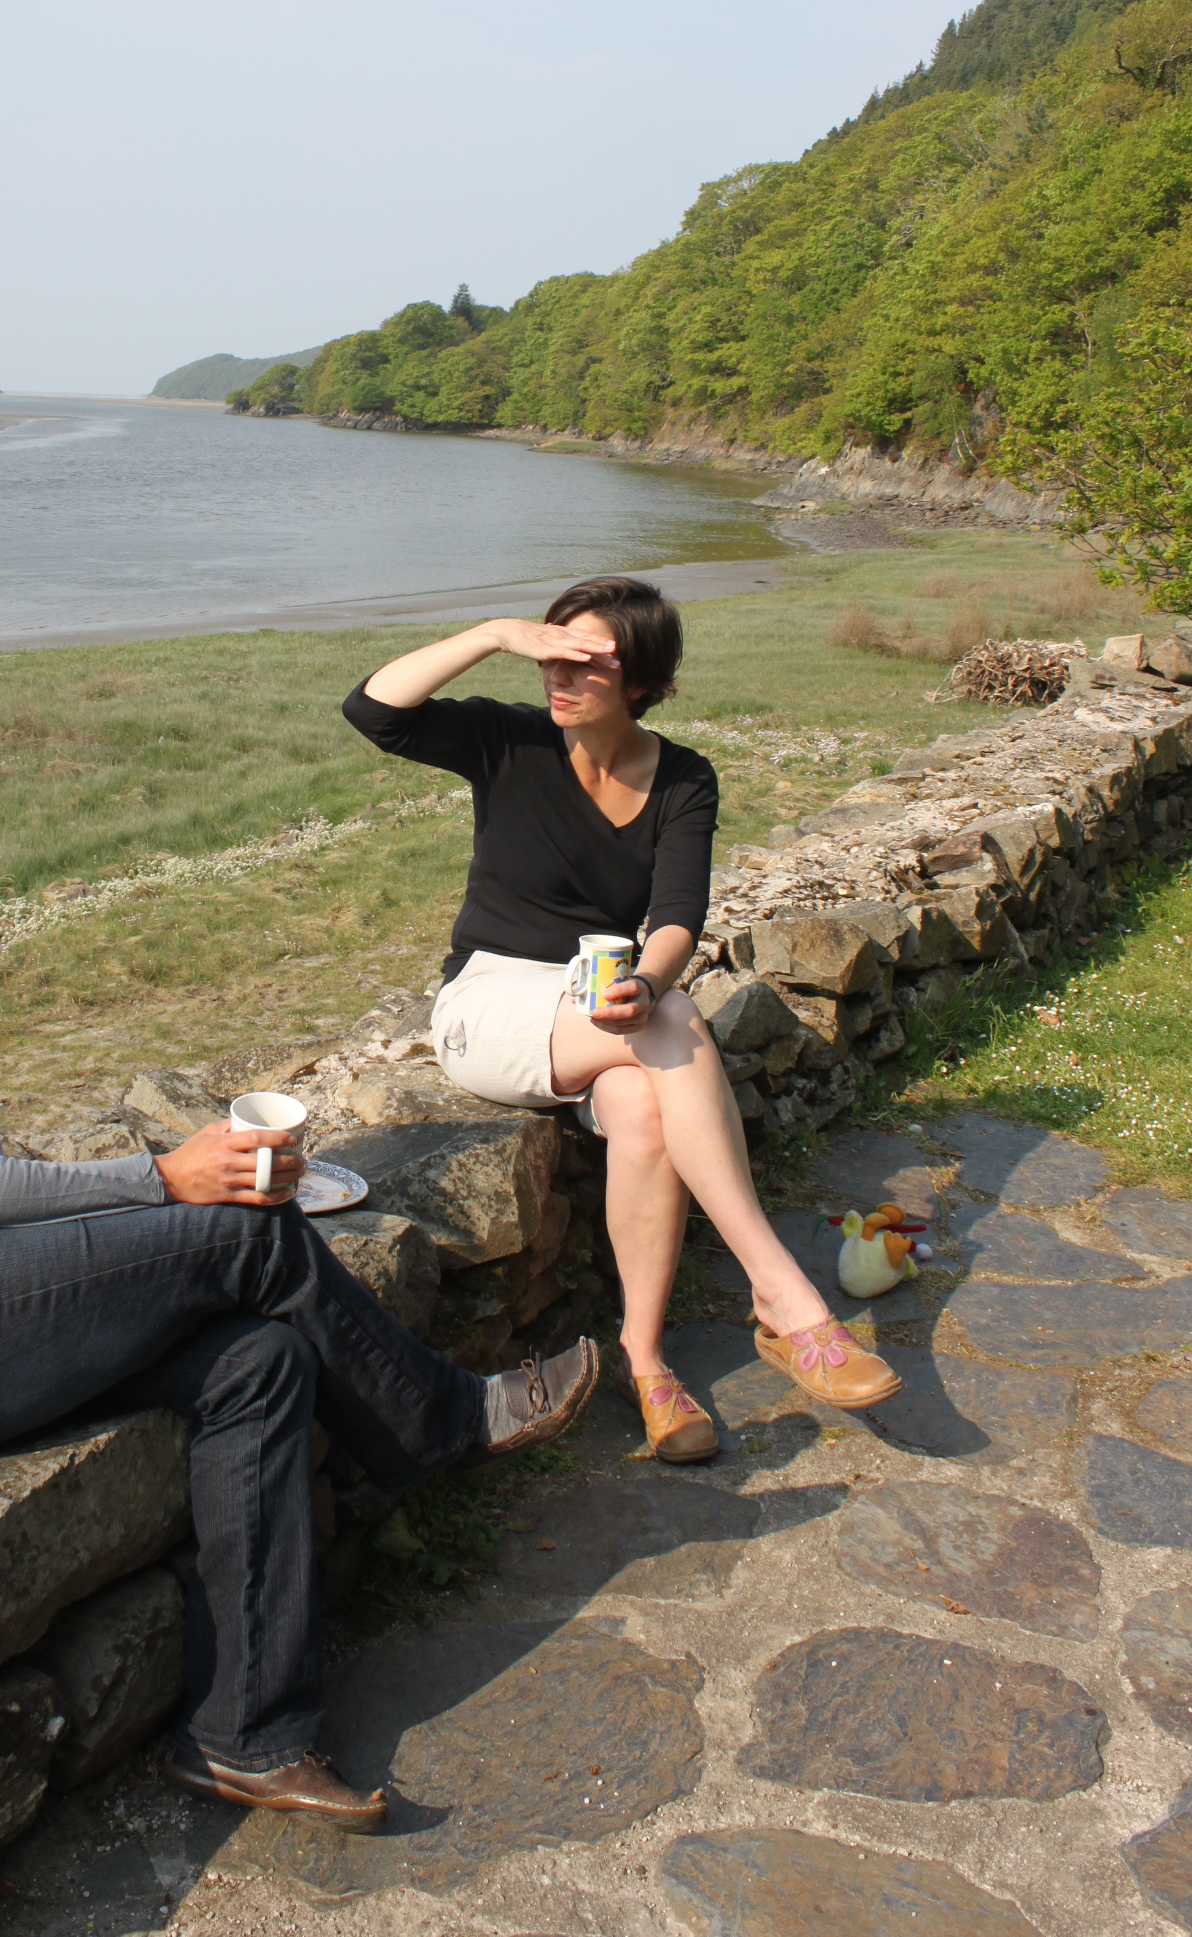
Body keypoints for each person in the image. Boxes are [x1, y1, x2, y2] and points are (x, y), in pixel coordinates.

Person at [0, 663, 597, 1833]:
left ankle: (244, 1736)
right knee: (241, 1241)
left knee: (254, 1364)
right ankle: (444, 1421)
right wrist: (165, 1177)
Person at [344, 576, 900, 1461]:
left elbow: (678, 913)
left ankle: (646, 1365)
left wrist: (645, 979)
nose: (559, 677)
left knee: (644, 1107)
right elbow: (372, 709)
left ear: (643, 682)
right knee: (673, 1021)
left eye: (588, 663)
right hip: (487, 1005)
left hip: (601, 1013)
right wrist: (495, 632)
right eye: (552, 655)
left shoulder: (682, 778)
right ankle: (782, 1295)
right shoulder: (509, 739)